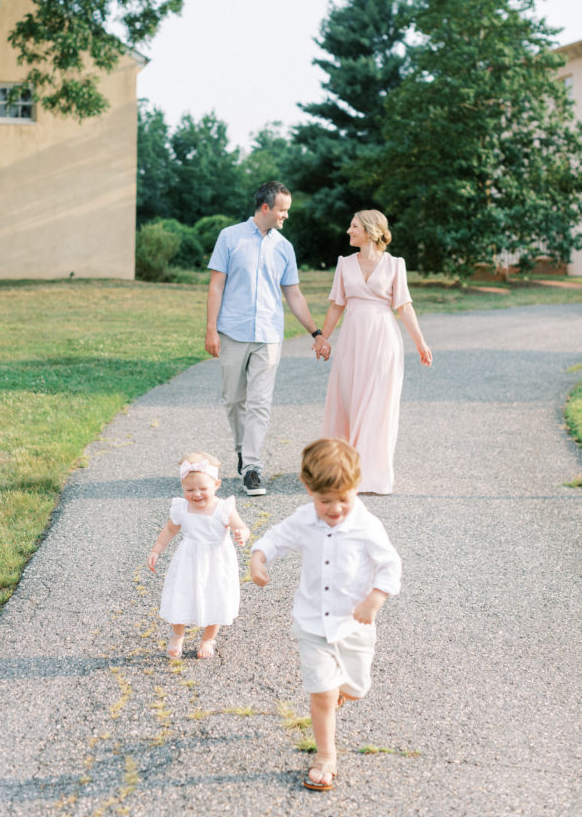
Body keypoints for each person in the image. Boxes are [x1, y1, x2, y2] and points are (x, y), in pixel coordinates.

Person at [250, 438, 401, 792]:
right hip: (312, 622)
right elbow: (275, 538)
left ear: (356, 488)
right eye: (324, 501)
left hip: (354, 624)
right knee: (321, 693)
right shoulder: (305, 519)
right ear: (308, 489)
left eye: (343, 499)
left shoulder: (367, 525)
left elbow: (390, 565)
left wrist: (375, 598)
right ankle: (325, 755)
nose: (334, 509)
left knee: (356, 688)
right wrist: (259, 558)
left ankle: (341, 693)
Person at [206, 181, 330, 496]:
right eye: (282, 210)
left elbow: (294, 294)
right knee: (234, 400)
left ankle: (252, 468)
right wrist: (210, 329)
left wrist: (315, 333)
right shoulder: (229, 237)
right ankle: (242, 449)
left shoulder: (284, 247)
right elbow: (216, 285)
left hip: (269, 335)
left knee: (260, 402)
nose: (285, 216)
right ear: (265, 208)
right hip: (232, 332)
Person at [319, 209, 432, 495]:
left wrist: (420, 343)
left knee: (377, 404)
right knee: (348, 400)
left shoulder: (395, 265)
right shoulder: (344, 264)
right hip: (352, 340)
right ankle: (343, 471)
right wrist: (323, 338)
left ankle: (371, 474)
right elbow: (336, 305)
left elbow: (404, 306)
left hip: (383, 338)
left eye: (353, 226)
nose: (348, 230)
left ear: (370, 231)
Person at [147, 452, 250, 659]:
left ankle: (208, 639)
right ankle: (177, 634)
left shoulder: (224, 509)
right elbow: (169, 530)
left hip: (217, 561)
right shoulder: (182, 508)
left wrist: (241, 534)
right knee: (181, 595)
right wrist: (156, 550)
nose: (196, 494)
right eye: (189, 489)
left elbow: (242, 527)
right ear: (182, 488)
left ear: (216, 485)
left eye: (203, 489)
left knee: (216, 597)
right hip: (188, 561)